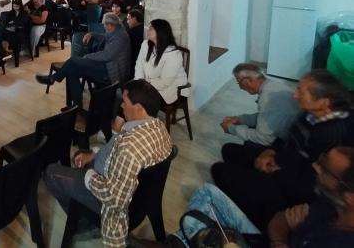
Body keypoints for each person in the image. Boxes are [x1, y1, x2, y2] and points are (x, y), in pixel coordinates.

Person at [211, 70, 354, 229]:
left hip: (293, 185)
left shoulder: (334, 135)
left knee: (220, 170)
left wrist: (275, 170)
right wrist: (270, 152)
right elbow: (290, 140)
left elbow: (313, 182)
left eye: (301, 92)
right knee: (229, 150)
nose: (295, 95)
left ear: (323, 102)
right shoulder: (311, 113)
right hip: (282, 160)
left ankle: (260, 220)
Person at [135, 147, 354, 248]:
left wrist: (284, 237)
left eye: (324, 168)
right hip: (267, 239)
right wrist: (280, 237)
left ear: (350, 197)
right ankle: (178, 243)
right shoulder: (328, 203)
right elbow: (279, 220)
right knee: (207, 192)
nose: (316, 166)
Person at [44, 80, 173, 248]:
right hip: (139, 193)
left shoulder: (129, 148)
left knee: (51, 172)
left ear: (139, 108)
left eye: (125, 102)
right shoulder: (158, 127)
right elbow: (115, 147)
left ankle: (82, 221)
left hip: (110, 196)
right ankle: (82, 209)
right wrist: (94, 154)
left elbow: (114, 199)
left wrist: (89, 176)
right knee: (80, 155)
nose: (121, 105)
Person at [35, 12, 131, 108]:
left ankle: (53, 78)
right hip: (106, 66)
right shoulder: (116, 31)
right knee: (72, 71)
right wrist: (92, 34)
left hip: (110, 73)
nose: (104, 27)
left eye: (104, 25)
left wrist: (87, 57)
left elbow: (106, 56)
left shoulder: (120, 37)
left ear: (110, 25)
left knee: (73, 61)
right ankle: (76, 106)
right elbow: (105, 37)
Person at [220, 63, 300, 147]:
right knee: (250, 129)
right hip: (289, 129)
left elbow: (264, 139)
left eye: (239, 82)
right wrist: (240, 119)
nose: (240, 87)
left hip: (288, 142)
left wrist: (232, 129)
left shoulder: (267, 98)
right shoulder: (273, 85)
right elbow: (266, 116)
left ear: (248, 80)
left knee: (229, 148)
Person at [134, 19, 187, 104]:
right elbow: (139, 64)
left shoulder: (173, 54)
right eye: (148, 27)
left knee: (137, 99)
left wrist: (144, 85)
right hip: (147, 83)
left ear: (161, 32)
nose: (148, 30)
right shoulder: (145, 44)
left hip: (168, 89)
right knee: (127, 92)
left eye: (151, 28)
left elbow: (165, 82)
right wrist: (139, 80)